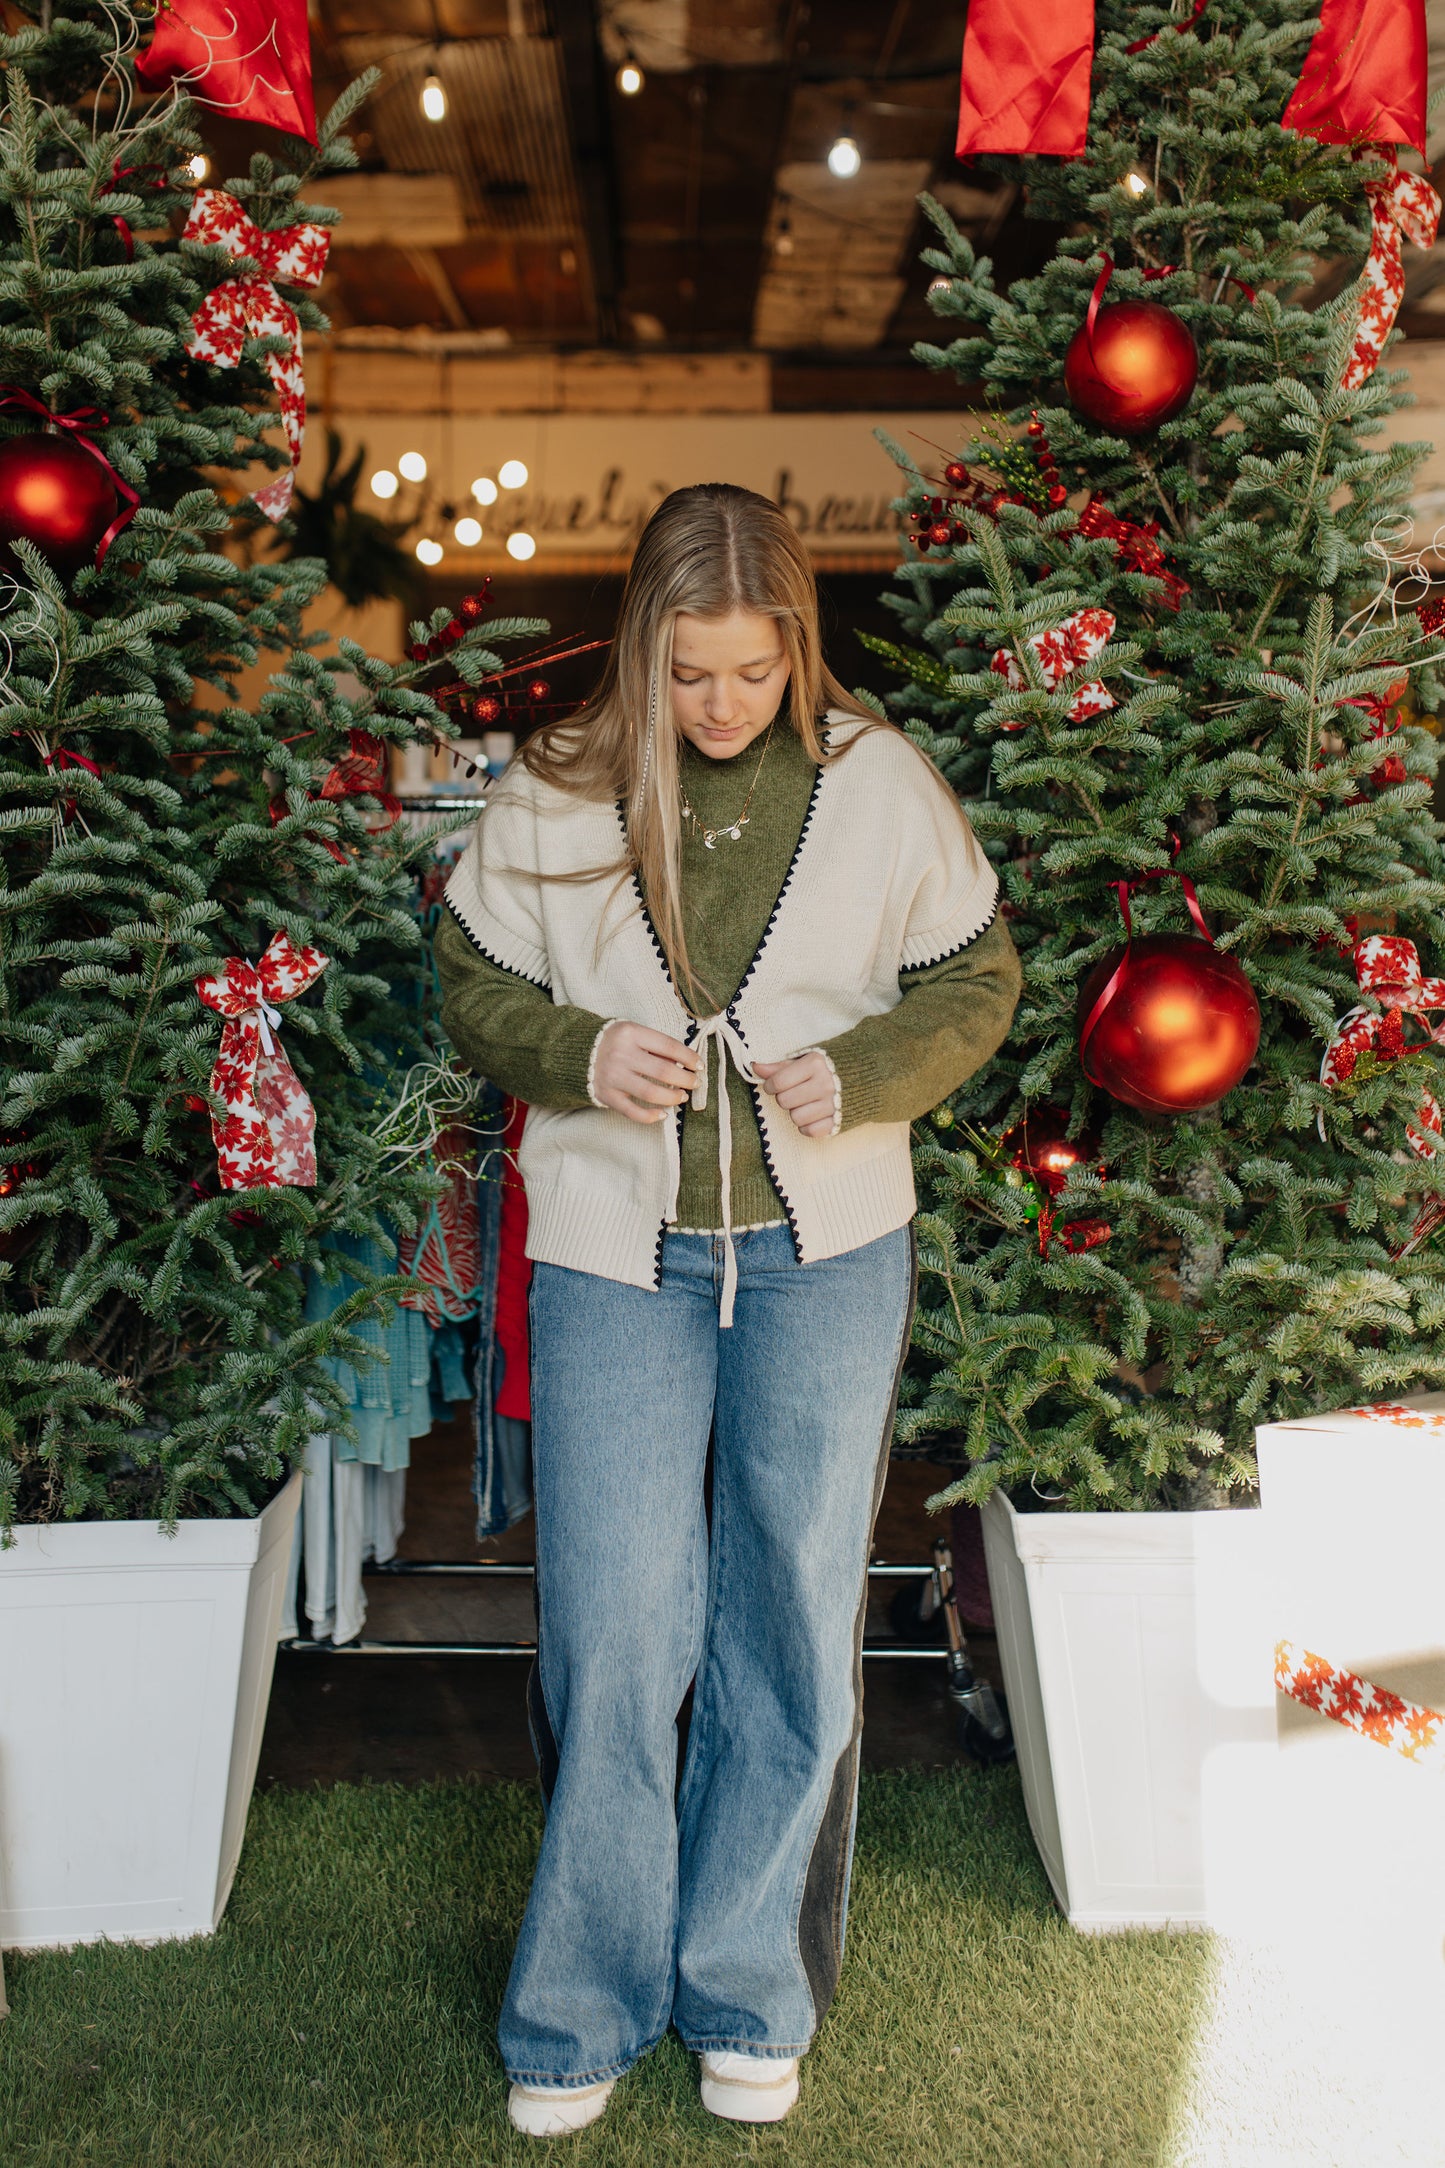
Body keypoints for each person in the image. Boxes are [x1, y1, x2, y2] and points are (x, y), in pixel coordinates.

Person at [435, 482, 1020, 2138]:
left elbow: (976, 973)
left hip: (828, 1255)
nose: (718, 707)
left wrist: (864, 1069)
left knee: (786, 1619)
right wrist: (569, 1053)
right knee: (618, 1626)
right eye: (689, 674)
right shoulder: (556, 791)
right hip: (616, 1254)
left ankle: (744, 1985)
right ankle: (578, 2012)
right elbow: (468, 970)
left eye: (751, 674)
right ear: (644, 648)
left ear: (794, 650)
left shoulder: (880, 783)